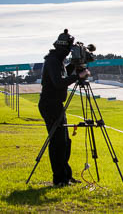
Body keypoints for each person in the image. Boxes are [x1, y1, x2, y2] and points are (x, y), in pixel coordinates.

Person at [38, 29, 90, 186]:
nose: (70, 52)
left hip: (56, 105)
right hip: (49, 105)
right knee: (57, 142)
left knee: (65, 141)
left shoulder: (57, 60)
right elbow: (59, 82)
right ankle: (59, 179)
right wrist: (78, 76)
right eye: (69, 49)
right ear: (64, 48)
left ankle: (66, 176)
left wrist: (74, 66)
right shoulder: (52, 61)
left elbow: (62, 75)